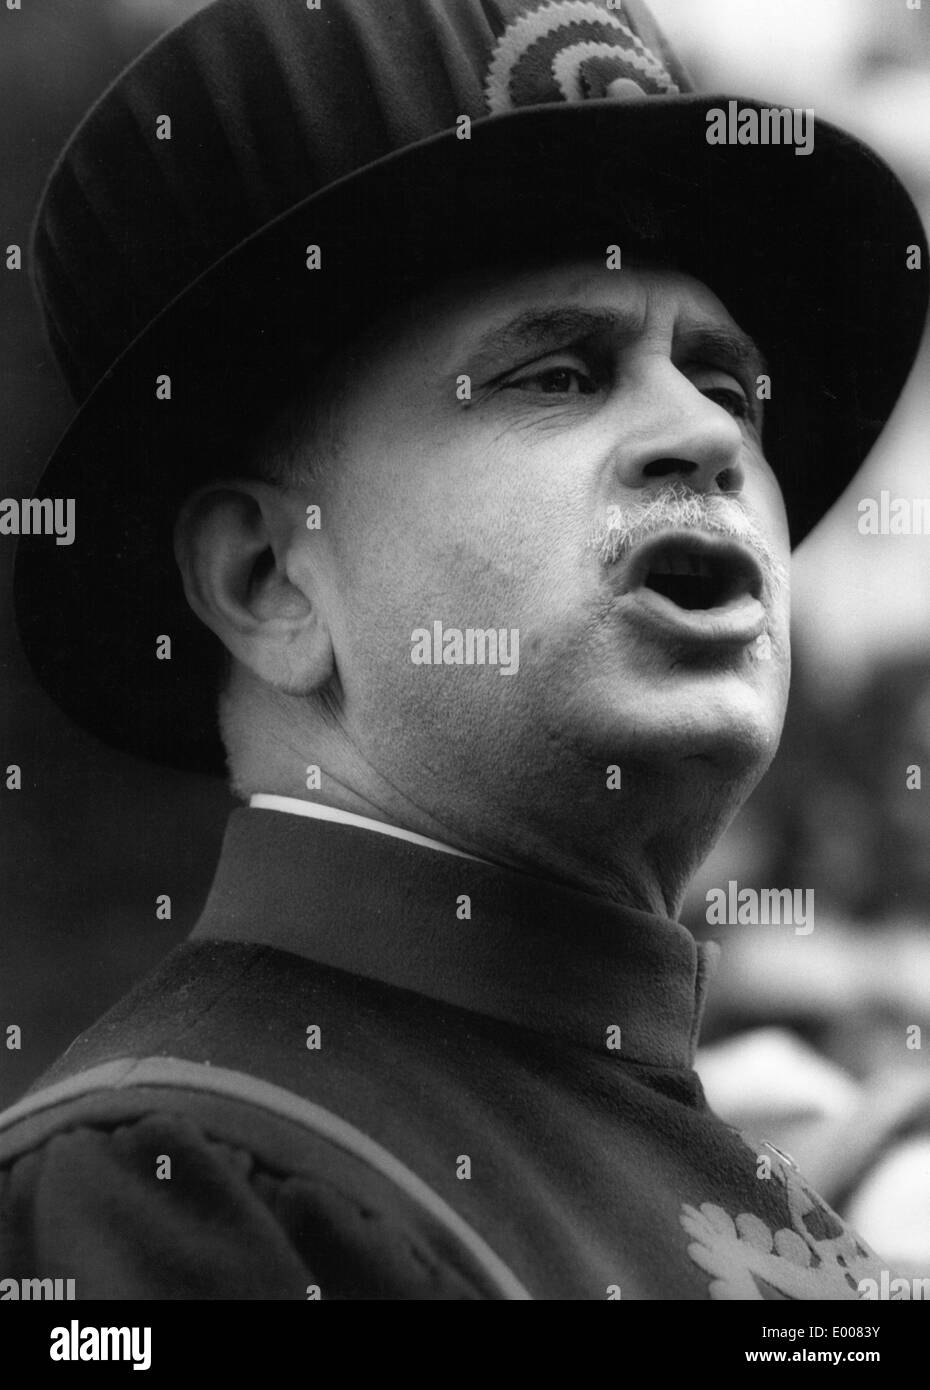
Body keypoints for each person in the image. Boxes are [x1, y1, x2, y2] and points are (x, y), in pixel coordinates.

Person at [0, 0, 926, 1300]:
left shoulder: (816, 1217)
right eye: (554, 374)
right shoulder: (165, 1183)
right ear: (270, 579)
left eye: (725, 384)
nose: (710, 439)